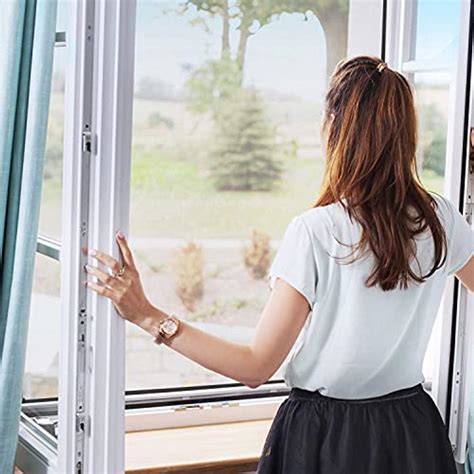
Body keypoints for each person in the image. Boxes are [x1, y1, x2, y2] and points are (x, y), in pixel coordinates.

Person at [83, 55, 474, 473]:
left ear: (334, 127)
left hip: (327, 439)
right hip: (412, 432)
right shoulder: (440, 219)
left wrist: (147, 316)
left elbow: (256, 366)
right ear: (405, 133)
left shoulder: (317, 231)